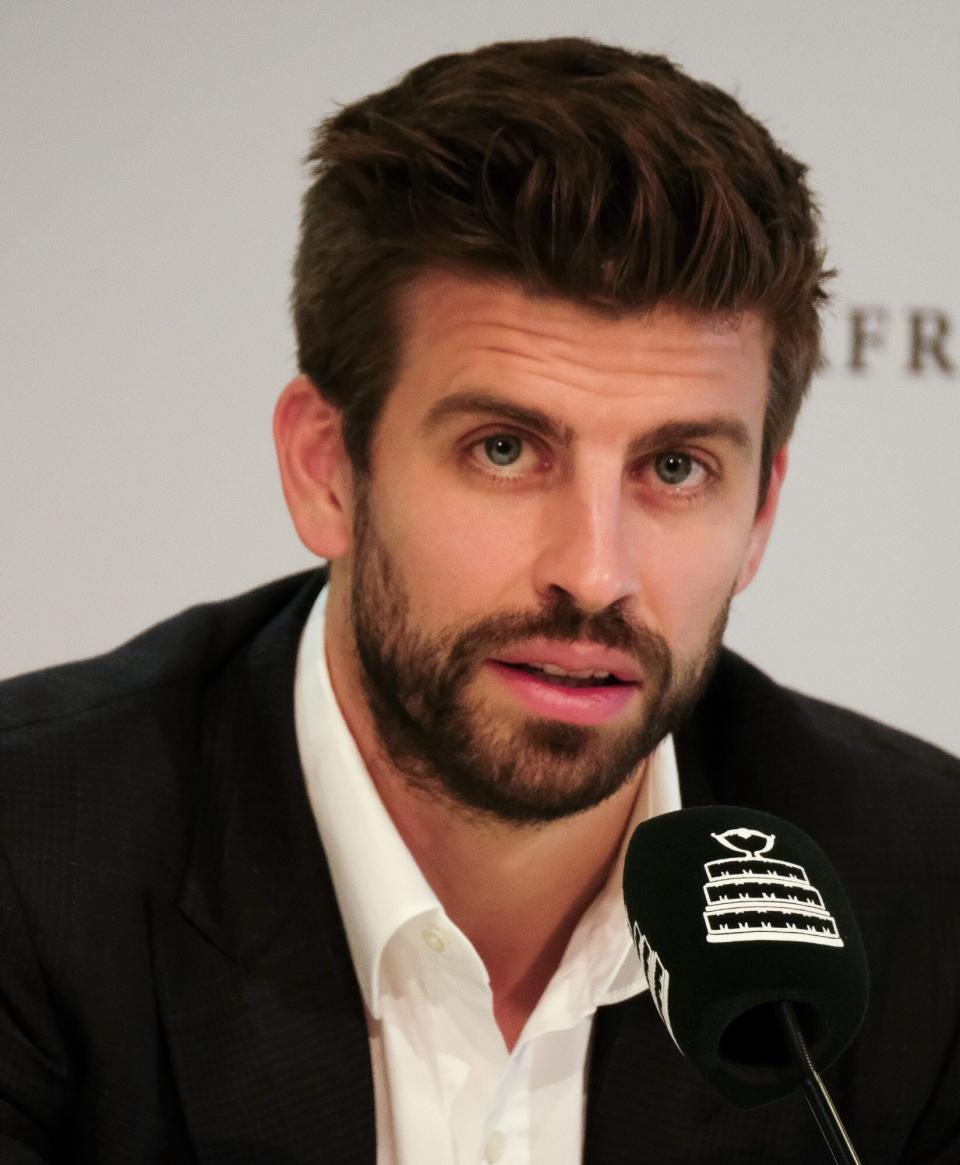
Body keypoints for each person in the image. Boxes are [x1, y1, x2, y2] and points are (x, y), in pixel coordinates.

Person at [0, 36, 957, 1165]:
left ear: (759, 514)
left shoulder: (925, 894)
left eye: (676, 468)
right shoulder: (34, 856)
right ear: (327, 468)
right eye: (505, 450)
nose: (595, 573)